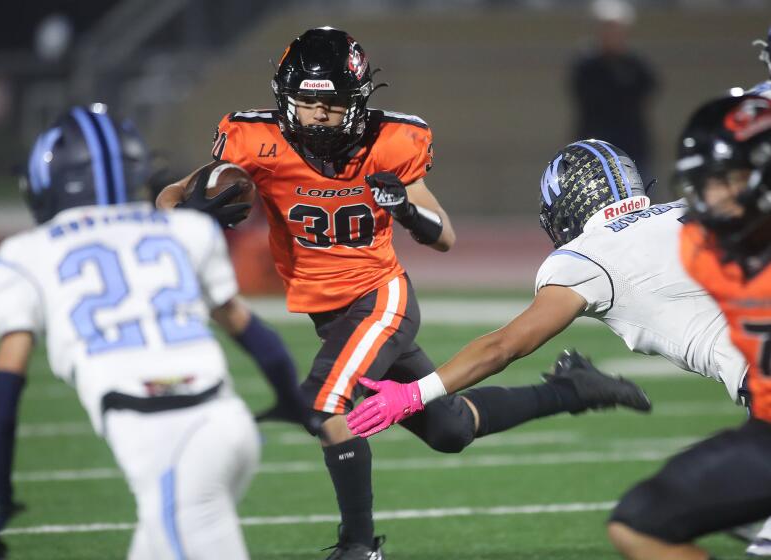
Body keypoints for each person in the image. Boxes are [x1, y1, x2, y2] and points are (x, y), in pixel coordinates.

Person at [157, 27, 649, 560]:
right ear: (285, 97)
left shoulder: (391, 140)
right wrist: (186, 217)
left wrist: (407, 211)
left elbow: (444, 236)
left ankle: (359, 547)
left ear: (358, 98)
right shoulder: (252, 139)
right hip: (330, 313)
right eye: (307, 101)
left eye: (332, 102)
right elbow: (171, 196)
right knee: (450, 427)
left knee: (325, 407)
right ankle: (573, 390)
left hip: (380, 299)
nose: (319, 114)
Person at [0, 105, 298, 559]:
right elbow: (251, 331)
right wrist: (294, 400)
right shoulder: (185, 230)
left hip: (169, 443)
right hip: (229, 423)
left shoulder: (23, 255)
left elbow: (3, 402)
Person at [347, 137, 746, 437]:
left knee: (655, 519)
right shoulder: (689, 209)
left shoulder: (590, 255)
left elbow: (504, 346)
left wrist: (415, 394)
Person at [607, 94, 771, 560]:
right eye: (704, 183)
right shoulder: (704, 247)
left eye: (724, 180)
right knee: (637, 523)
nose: (711, 197)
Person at [569, 0, 658, 181]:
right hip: (594, 148)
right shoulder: (586, 66)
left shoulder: (634, 64)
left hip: (632, 147)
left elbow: (649, 88)